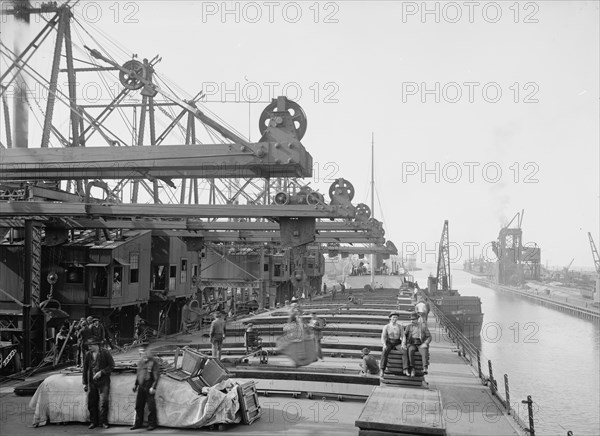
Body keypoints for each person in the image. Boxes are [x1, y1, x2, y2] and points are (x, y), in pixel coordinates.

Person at [82, 337, 115, 429]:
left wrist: (101, 372)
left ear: (96, 345)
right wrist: (84, 383)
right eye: (88, 346)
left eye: (90, 346)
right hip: (91, 382)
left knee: (104, 402)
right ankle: (93, 422)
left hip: (104, 382)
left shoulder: (105, 353)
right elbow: (85, 370)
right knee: (91, 402)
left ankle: (103, 422)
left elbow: (112, 366)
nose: (89, 347)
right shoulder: (88, 355)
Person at [131, 346, 160, 431]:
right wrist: (135, 385)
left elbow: (157, 376)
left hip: (149, 386)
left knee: (151, 406)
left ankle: (152, 424)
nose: (142, 354)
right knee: (138, 406)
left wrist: (153, 387)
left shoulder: (153, 362)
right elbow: (138, 374)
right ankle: (138, 423)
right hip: (141, 386)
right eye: (140, 352)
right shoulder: (140, 362)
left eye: (143, 352)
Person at [402, 312, 432, 377]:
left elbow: (429, 336)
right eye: (411, 320)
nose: (412, 321)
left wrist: (425, 343)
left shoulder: (423, 326)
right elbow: (404, 335)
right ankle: (412, 368)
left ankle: (425, 368)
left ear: (417, 319)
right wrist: (404, 343)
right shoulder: (408, 327)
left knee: (424, 351)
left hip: (420, 343)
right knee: (410, 351)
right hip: (412, 343)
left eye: (414, 319)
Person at [380, 311, 404, 378]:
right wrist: (384, 344)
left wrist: (403, 344)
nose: (395, 319)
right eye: (393, 317)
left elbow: (403, 336)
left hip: (397, 342)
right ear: (390, 318)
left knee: (404, 351)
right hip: (389, 342)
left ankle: (406, 368)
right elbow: (383, 337)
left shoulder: (400, 327)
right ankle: (382, 369)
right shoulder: (386, 327)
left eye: (396, 317)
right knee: (385, 351)